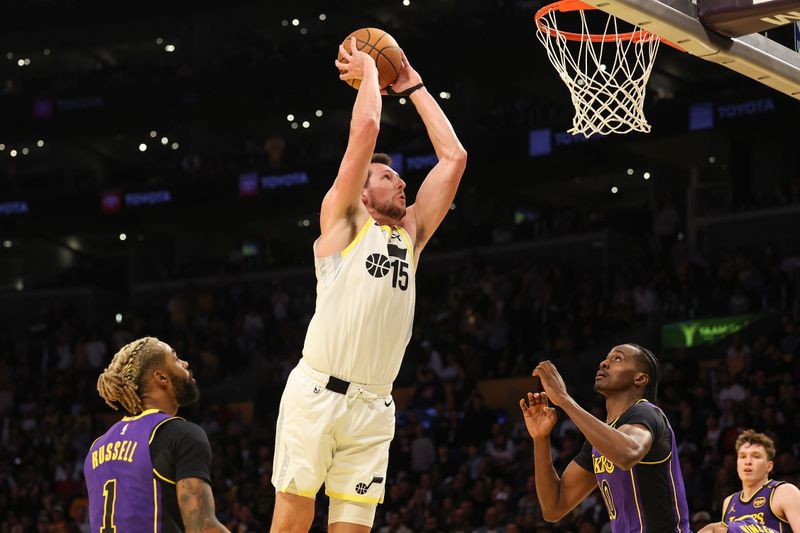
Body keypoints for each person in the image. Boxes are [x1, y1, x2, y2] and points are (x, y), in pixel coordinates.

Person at [270, 37, 467, 532]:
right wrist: (372, 75)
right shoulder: (343, 219)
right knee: (293, 519)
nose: (401, 183)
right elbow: (367, 127)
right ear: (361, 190)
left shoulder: (412, 234)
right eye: (387, 176)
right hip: (316, 393)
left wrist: (414, 85)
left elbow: (454, 158)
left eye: (401, 177)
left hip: (375, 404)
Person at [519, 343, 691, 533]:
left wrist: (564, 400)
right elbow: (554, 507)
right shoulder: (601, 439)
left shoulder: (647, 413)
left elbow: (628, 453)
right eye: (606, 358)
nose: (604, 363)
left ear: (640, 378)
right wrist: (540, 439)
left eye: (618, 359)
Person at [83, 336, 230, 533]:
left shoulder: (96, 448)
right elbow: (202, 527)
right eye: (176, 359)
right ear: (161, 378)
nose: (185, 363)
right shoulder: (181, 434)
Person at [698, 429, 800, 533]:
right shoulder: (729, 502)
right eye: (742, 456)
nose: (748, 461)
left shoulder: (784, 492)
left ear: (769, 466)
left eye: (756, 456)